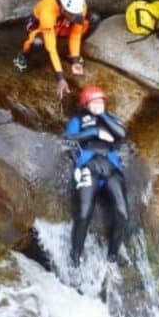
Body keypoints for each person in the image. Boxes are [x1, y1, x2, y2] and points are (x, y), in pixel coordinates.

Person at [64, 85, 129, 265]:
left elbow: (121, 134)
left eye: (101, 101)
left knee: (122, 213)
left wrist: (102, 116)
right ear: (86, 103)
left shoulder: (110, 119)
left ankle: (113, 254)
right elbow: (69, 137)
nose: (99, 104)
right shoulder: (78, 120)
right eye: (95, 102)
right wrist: (95, 132)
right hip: (89, 166)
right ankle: (75, 255)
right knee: (84, 213)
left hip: (111, 168)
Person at [13, 0, 100, 99]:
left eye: (76, 14)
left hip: (62, 25)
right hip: (42, 27)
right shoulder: (47, 11)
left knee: (93, 19)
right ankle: (24, 56)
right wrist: (60, 77)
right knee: (38, 43)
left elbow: (75, 35)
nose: (76, 17)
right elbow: (51, 48)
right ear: (63, 9)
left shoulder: (79, 7)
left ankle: (69, 54)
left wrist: (75, 59)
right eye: (73, 15)